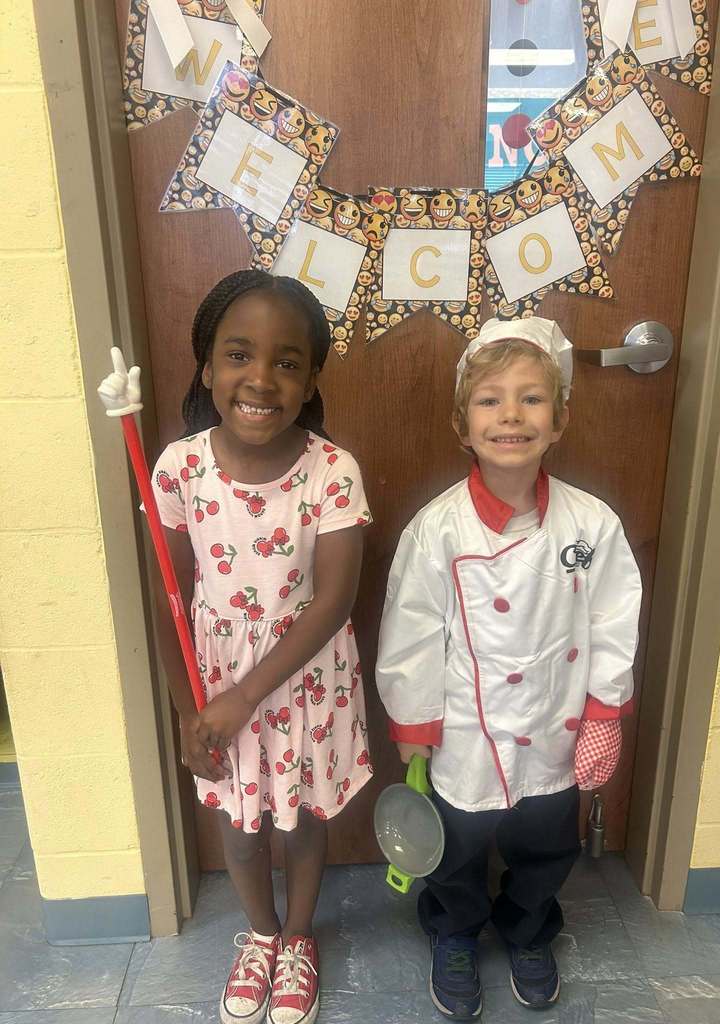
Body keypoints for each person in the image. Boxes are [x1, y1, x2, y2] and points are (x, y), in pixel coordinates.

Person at [376, 317, 641, 1017]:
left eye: (531, 398)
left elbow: (614, 621)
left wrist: (604, 711)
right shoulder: (438, 528)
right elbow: (411, 631)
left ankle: (528, 928)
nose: (511, 416)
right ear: (462, 423)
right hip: (466, 727)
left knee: (545, 842)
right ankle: (456, 929)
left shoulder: (592, 526)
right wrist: (414, 720)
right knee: (456, 846)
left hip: (556, 724)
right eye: (491, 400)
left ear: (560, 420)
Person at [145, 270, 372, 1024]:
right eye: (239, 355)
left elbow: (335, 599)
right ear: (207, 367)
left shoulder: (332, 472)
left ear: (310, 382)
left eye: (286, 362)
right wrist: (192, 712)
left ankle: (300, 937)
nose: (260, 379)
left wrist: (247, 694)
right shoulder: (179, 468)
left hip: (304, 679)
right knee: (239, 828)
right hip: (217, 686)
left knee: (302, 823)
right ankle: (261, 934)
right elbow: (170, 598)